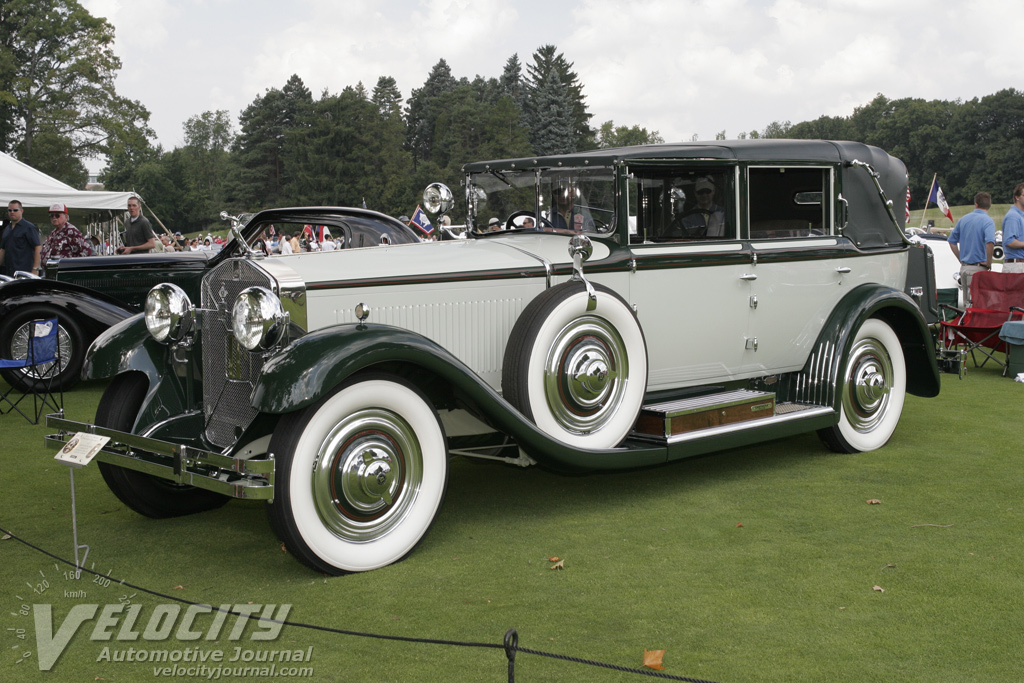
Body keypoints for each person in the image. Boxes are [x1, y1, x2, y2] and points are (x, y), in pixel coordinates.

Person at [948, 191, 996, 305]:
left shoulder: (964, 219)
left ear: (976, 204)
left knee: (968, 305)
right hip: (978, 269)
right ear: (989, 205)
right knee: (978, 305)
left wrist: (961, 259)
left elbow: (951, 241)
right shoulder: (988, 221)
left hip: (964, 268)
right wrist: (988, 262)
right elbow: (990, 242)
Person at [0, 200, 41, 276]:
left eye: (15, 210)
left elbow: (37, 247)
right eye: (10, 210)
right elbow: (2, 249)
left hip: (25, 272)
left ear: (21, 211)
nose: (12, 212)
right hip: (9, 272)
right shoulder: (7, 229)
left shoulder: (29, 227)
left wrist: (35, 269)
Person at [1001, 183, 1024, 274]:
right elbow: (1009, 241)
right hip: (1016, 265)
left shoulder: (1020, 216)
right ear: (1017, 197)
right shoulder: (1013, 216)